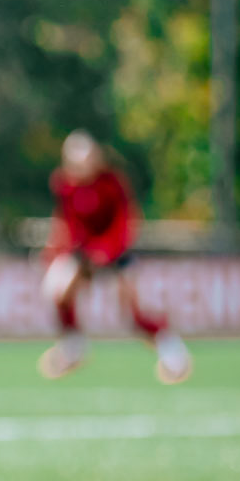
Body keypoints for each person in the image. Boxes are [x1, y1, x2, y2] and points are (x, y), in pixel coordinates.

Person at [39, 130, 191, 383]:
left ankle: (174, 355)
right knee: (59, 291)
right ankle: (74, 348)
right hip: (84, 253)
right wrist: (59, 249)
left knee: (132, 313)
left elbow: (124, 223)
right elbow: (67, 222)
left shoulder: (111, 182)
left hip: (116, 253)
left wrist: (106, 251)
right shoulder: (64, 185)